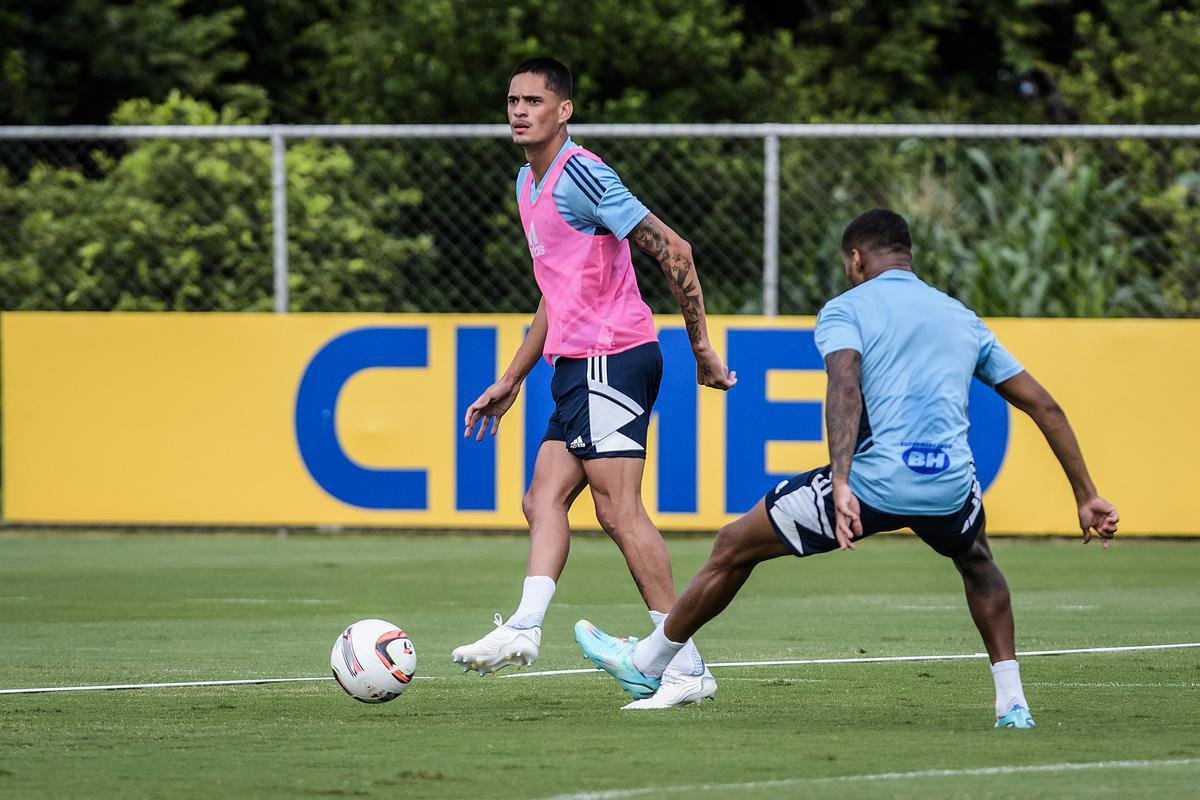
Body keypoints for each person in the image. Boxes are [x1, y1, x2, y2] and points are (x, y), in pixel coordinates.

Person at [576, 208, 1119, 725]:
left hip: (871, 486)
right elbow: (1043, 405)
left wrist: (840, 482)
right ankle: (1013, 704)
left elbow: (844, 386)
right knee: (977, 561)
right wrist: (1086, 494)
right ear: (906, 257)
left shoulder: (846, 308)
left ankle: (648, 663)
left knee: (733, 546)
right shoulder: (962, 318)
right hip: (949, 489)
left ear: (856, 259)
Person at [452, 57, 736, 709]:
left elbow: (675, 250)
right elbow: (554, 296)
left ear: (563, 111)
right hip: (574, 364)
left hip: (613, 355)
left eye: (533, 100)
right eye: (512, 100)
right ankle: (523, 628)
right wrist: (512, 378)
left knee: (617, 510)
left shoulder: (583, 173)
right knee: (542, 497)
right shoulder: (528, 183)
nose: (519, 110)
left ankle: (686, 664)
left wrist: (702, 350)